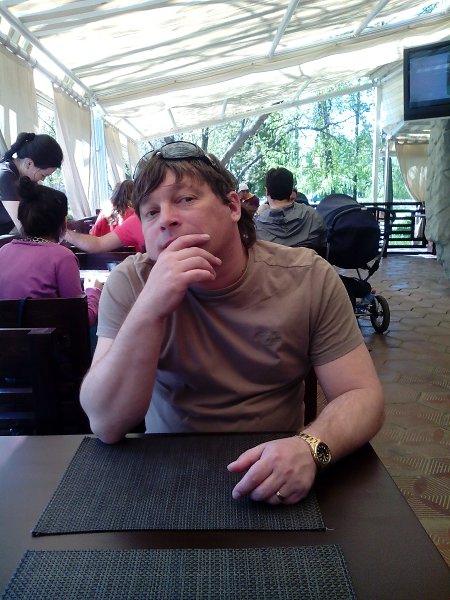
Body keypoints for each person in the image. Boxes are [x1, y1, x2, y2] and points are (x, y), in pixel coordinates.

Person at [80, 140, 384, 506]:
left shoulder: (308, 277)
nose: (166, 219)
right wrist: (148, 309)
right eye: (150, 211)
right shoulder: (130, 283)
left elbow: (361, 395)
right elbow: (106, 423)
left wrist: (310, 447)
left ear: (233, 206)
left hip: (277, 467)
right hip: (167, 471)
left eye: (185, 199)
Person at [0, 177, 102, 327]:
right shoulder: (63, 257)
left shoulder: (3, 251)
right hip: (49, 341)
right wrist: (94, 291)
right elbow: (82, 320)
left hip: (7, 340)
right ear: (64, 223)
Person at [0, 132, 63, 235]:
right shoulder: (5, 176)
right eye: (43, 175)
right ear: (29, 163)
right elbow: (24, 227)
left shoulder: (23, 179)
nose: (42, 180)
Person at [255, 167, 326, 249]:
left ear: (267, 192)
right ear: (291, 190)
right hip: (307, 257)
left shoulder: (256, 227)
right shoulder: (313, 216)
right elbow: (323, 246)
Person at [64, 212, 144, 252]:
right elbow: (99, 243)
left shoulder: (106, 210)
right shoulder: (136, 221)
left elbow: (97, 240)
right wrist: (62, 231)